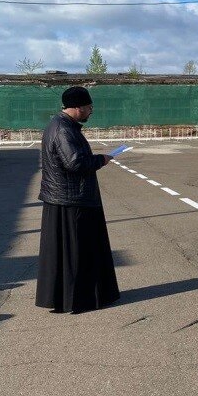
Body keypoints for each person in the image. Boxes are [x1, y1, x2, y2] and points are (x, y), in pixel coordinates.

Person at [35, 85, 119, 314]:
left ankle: (71, 298)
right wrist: (101, 159)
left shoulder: (61, 125)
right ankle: (80, 299)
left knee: (68, 254)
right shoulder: (63, 129)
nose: (91, 111)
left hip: (64, 196)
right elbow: (75, 162)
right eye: (90, 107)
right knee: (78, 252)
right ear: (78, 107)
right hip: (72, 199)